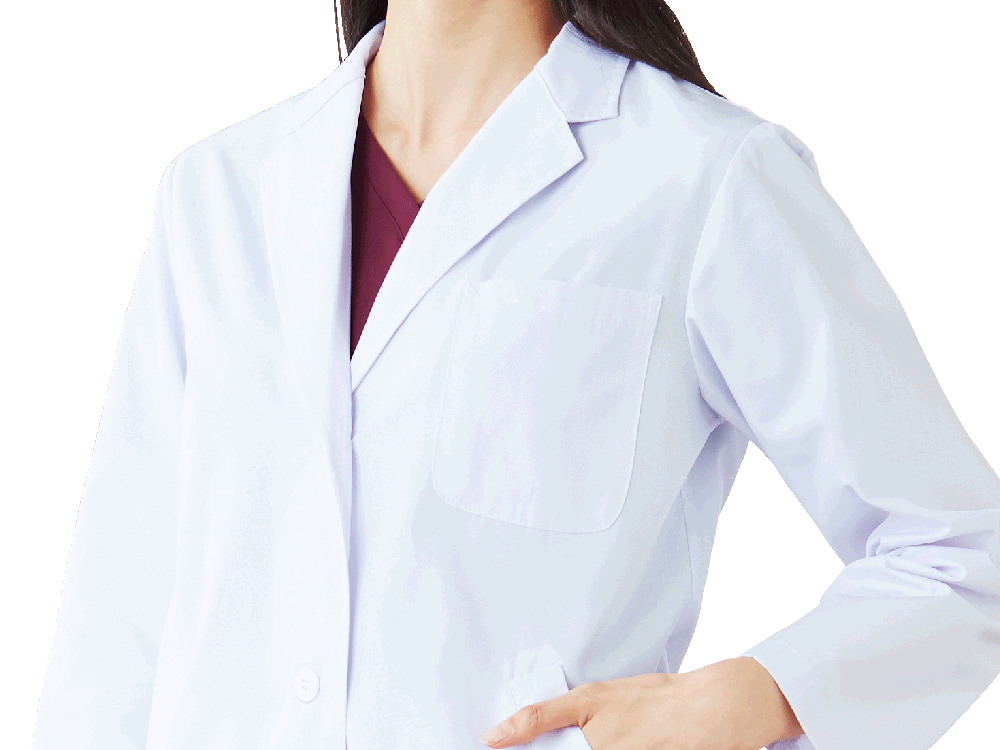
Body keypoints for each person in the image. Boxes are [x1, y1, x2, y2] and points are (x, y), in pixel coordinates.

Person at [30, 1, 1000, 749]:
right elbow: (115, 627)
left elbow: (963, 553)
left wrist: (753, 696)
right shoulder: (220, 191)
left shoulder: (701, 179)